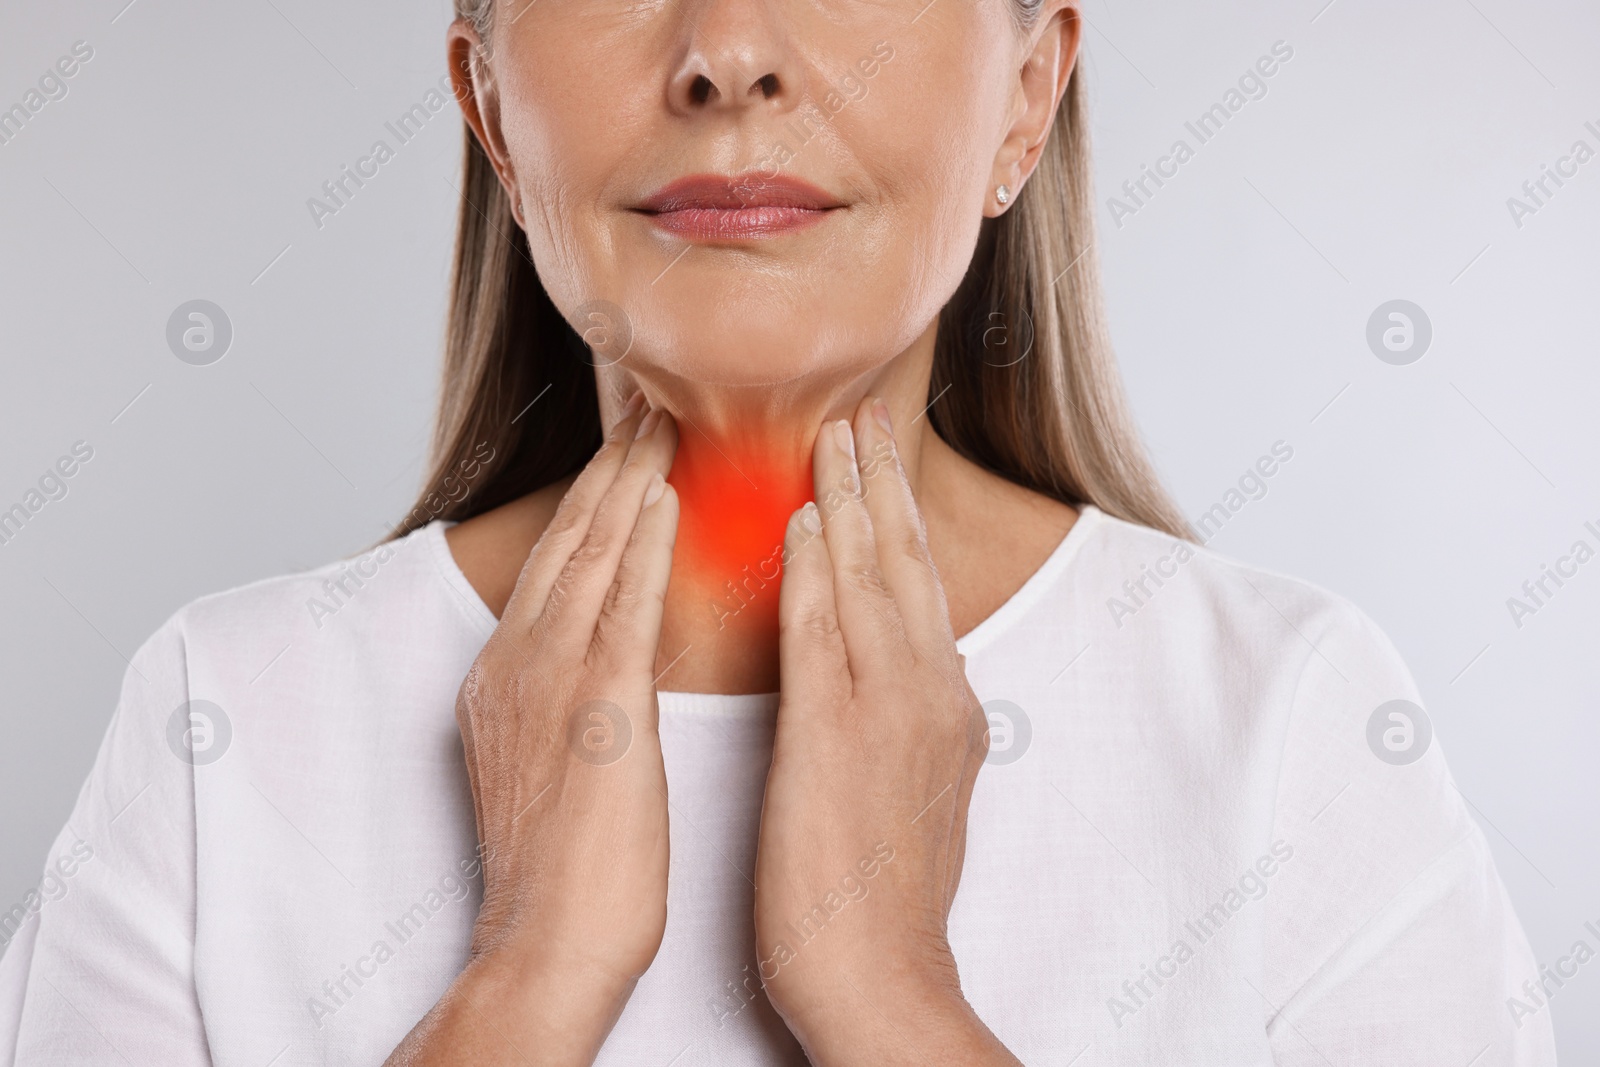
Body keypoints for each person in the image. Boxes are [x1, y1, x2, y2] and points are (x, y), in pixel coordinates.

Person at [0, 0, 1554, 1063]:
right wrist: (528, 985)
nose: (728, 53)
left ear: (1026, 95)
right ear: (487, 102)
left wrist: (891, 1002)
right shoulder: (224, 717)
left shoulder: (1291, 718)